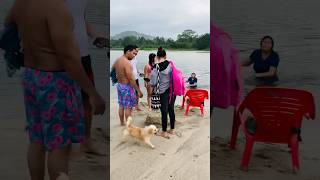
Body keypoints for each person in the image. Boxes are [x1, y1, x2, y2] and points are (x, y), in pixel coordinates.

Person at [5, 0, 105, 179]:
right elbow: (68, 58)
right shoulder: (56, 8)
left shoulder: (22, 3)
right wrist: (92, 93)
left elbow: (8, 24)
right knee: (58, 147)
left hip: (31, 75)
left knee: (36, 141)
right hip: (55, 81)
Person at [65, 0, 108, 155]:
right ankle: (62, 141)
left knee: (87, 100)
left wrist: (95, 36)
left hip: (84, 54)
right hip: (63, 53)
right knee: (63, 100)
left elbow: (80, 19)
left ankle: (86, 141)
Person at [112, 45, 143, 126]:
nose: (134, 55)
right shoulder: (127, 63)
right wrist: (139, 91)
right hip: (126, 87)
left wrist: (115, 79)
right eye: (133, 53)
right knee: (128, 107)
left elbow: (112, 70)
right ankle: (128, 125)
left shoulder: (118, 60)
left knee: (121, 105)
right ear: (128, 51)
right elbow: (131, 79)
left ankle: (122, 123)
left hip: (119, 85)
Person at [150, 47, 176, 139]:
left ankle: (164, 132)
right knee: (171, 109)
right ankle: (172, 129)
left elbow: (153, 83)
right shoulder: (170, 64)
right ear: (165, 56)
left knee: (164, 112)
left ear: (157, 56)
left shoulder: (155, 67)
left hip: (162, 92)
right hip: (172, 90)